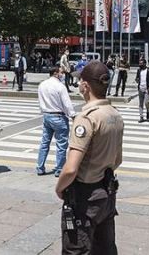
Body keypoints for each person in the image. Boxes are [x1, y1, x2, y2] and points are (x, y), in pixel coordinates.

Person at [55, 60, 123, 254]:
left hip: (85, 196)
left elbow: (70, 168)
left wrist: (60, 188)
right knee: (104, 249)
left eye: (79, 82)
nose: (78, 86)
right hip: (107, 193)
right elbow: (118, 159)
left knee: (76, 249)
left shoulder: (87, 118)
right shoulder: (115, 114)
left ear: (85, 86)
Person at [37, 66, 76, 177]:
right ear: (55, 73)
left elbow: (40, 101)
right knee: (61, 144)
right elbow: (67, 103)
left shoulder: (42, 85)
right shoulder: (60, 86)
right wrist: (72, 115)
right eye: (61, 72)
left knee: (45, 142)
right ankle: (59, 169)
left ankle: (40, 167)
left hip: (47, 115)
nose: (62, 74)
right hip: (58, 116)